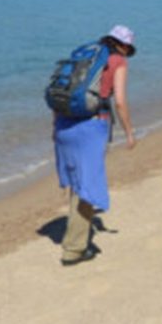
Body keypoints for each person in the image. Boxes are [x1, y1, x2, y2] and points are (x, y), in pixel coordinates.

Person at [53, 24, 137, 266]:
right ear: (124, 45)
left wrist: (54, 127)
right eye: (128, 48)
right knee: (87, 187)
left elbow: (64, 89)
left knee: (78, 183)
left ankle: (76, 236)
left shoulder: (85, 54)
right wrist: (129, 132)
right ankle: (74, 249)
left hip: (63, 123)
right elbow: (119, 101)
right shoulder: (118, 61)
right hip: (91, 126)